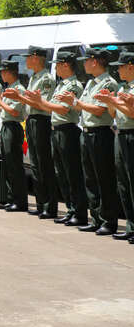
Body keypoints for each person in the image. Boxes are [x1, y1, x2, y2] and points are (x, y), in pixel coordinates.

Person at [58, 47, 120, 235]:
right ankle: (96, 218)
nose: (83, 64)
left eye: (86, 60)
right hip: (86, 132)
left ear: (94, 61)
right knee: (90, 178)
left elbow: (99, 110)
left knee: (104, 178)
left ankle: (109, 221)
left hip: (101, 133)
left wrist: (75, 103)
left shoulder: (108, 83)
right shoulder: (92, 83)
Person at [25, 51, 87, 226]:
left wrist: (39, 101)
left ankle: (79, 212)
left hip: (68, 130)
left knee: (72, 173)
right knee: (62, 174)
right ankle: (70, 210)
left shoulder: (73, 85)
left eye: (58, 64)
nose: (56, 68)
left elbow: (62, 109)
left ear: (66, 65)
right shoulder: (61, 85)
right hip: (57, 129)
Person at [4, 46, 58, 218]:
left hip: (42, 121)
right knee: (35, 164)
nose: (26, 61)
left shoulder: (46, 78)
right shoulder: (34, 77)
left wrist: (19, 98)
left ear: (36, 58)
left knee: (44, 164)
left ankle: (49, 206)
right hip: (32, 120)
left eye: (28, 57)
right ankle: (42, 203)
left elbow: (43, 104)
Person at [0, 60, 28, 212]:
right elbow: (7, 110)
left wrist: (0, 102)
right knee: (8, 165)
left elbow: (15, 112)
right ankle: (11, 198)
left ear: (9, 72)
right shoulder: (10, 88)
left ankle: (20, 201)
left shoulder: (18, 89)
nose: (1, 74)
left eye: (3, 71)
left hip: (14, 127)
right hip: (7, 126)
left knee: (15, 165)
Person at [102, 52, 134, 241]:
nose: (118, 69)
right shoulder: (125, 87)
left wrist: (114, 102)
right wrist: (111, 103)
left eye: (121, 66)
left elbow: (132, 113)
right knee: (123, 183)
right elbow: (114, 114)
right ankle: (130, 226)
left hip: (131, 134)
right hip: (120, 134)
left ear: (130, 66)